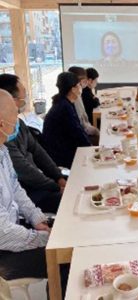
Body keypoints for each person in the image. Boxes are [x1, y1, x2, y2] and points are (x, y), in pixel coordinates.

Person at [0, 89, 68, 298]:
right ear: (1, 125)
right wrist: (41, 238)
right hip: (4, 252)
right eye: (14, 120)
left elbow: (17, 190)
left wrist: (37, 218)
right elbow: (2, 233)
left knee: (65, 231)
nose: (17, 125)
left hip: (16, 229)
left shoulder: (2, 150)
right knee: (65, 259)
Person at [0, 74, 65, 214]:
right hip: (31, 193)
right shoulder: (4, 138)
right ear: (9, 101)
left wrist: (58, 176)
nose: (26, 101)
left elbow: (38, 151)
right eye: (23, 98)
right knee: (69, 203)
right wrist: (55, 186)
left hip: (40, 186)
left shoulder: (19, 124)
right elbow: (25, 171)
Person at [42, 72, 91, 169]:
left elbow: (78, 130)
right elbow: (77, 133)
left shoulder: (64, 102)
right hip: (62, 156)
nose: (81, 87)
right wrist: (92, 149)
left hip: (63, 149)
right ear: (73, 89)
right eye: (79, 85)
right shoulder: (64, 107)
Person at [68, 66, 100, 145]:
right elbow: (80, 127)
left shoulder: (75, 97)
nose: (82, 86)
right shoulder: (71, 101)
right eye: (82, 82)